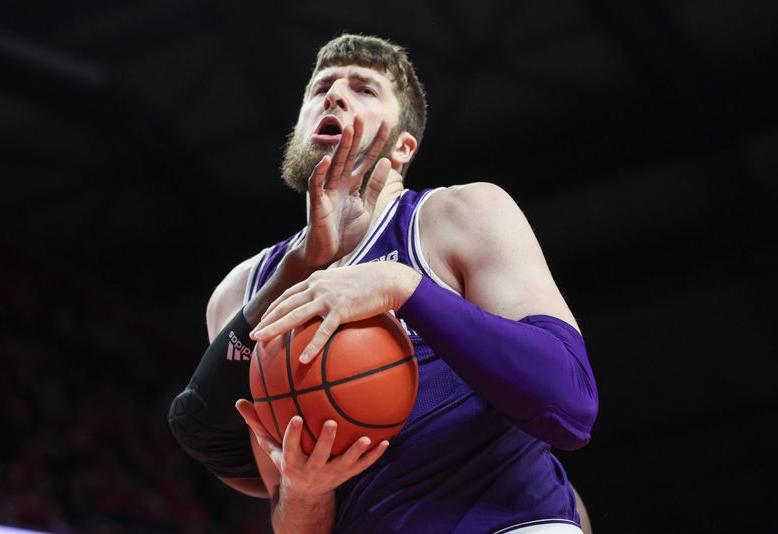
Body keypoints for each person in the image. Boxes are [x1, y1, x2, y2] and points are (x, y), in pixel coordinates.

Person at [169, 34, 598, 534]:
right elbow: (283, 509)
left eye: (364, 90)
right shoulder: (241, 290)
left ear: (402, 147)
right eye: (321, 87)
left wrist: (405, 287)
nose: (333, 96)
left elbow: (571, 404)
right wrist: (306, 492)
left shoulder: (457, 215)